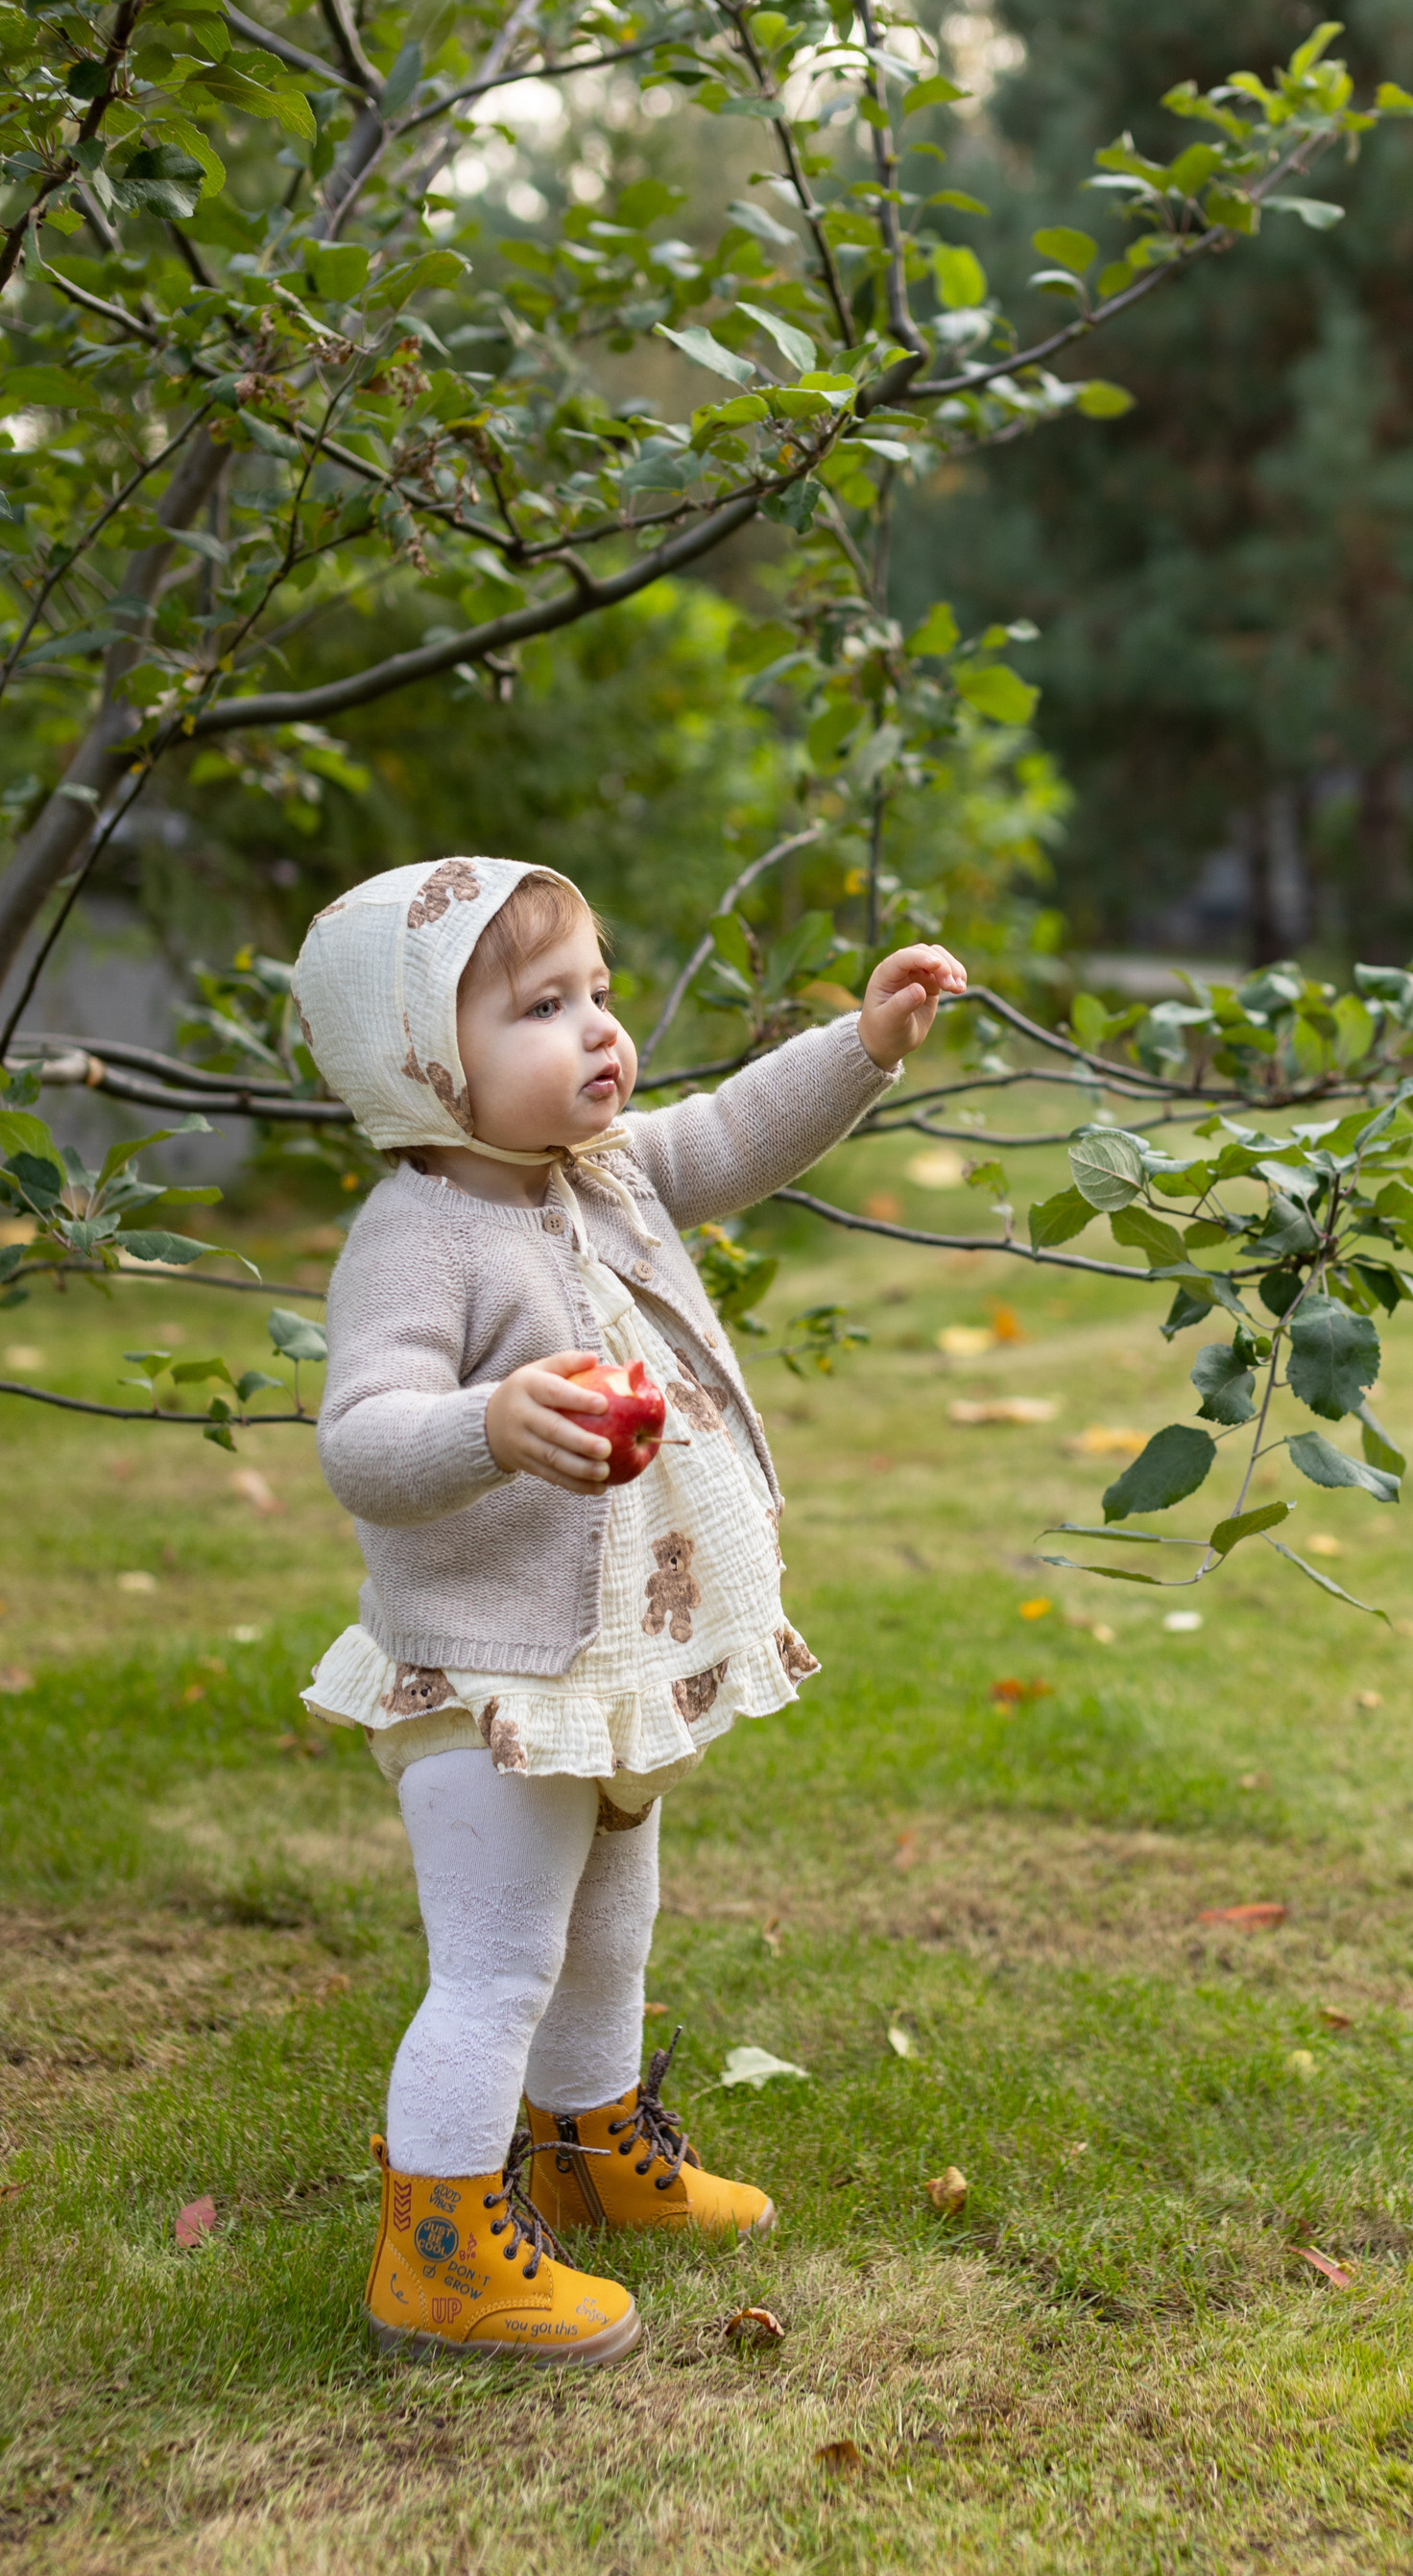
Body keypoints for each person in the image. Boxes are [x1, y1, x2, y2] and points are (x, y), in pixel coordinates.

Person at [290, 854, 964, 2366]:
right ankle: (440, 2252)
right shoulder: (421, 1235)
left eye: (597, 991)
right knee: (499, 1964)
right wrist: (488, 1423)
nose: (600, 1028)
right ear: (420, 1060)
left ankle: (590, 2156)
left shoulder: (599, 1175)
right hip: (494, 1677)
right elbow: (360, 1439)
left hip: (614, 1657)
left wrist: (858, 1046)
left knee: (610, 1932)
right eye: (544, 1005)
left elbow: (730, 1134)